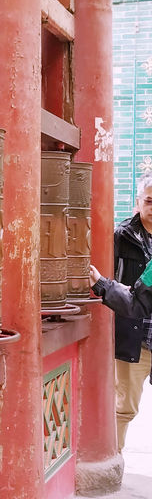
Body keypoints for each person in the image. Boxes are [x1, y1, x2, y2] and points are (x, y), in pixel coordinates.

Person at [106, 179, 152, 449]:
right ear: (138, 201)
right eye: (149, 201)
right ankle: (115, 458)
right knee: (124, 407)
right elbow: (111, 282)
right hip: (136, 337)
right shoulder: (121, 237)